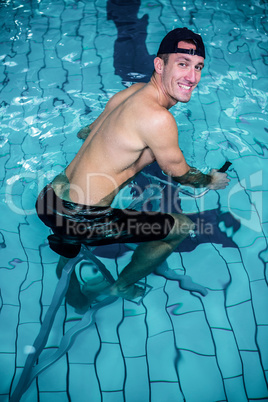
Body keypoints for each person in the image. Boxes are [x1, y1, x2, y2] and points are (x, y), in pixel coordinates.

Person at [36, 27, 229, 302]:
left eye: (198, 67)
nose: (192, 77)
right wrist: (211, 180)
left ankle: (67, 273)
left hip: (49, 198)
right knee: (181, 227)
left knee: (70, 231)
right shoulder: (158, 119)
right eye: (183, 64)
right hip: (80, 217)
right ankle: (121, 286)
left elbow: (86, 133)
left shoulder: (129, 94)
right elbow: (181, 175)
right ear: (159, 65)